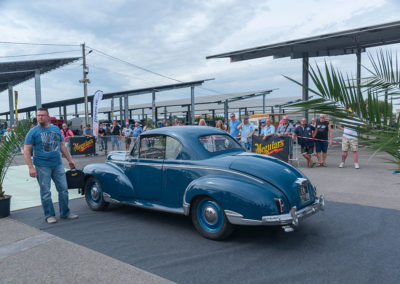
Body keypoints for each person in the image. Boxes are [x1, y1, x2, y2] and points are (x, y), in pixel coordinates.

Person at [23, 108, 78, 224]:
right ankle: (49, 215)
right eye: (38, 115)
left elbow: (62, 145)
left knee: (63, 189)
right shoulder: (33, 132)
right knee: (46, 192)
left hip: (57, 165)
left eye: (42, 115)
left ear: (48, 117)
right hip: (42, 166)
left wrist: (70, 160)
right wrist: (30, 167)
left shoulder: (55, 129)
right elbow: (26, 150)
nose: (40, 117)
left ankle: (65, 212)